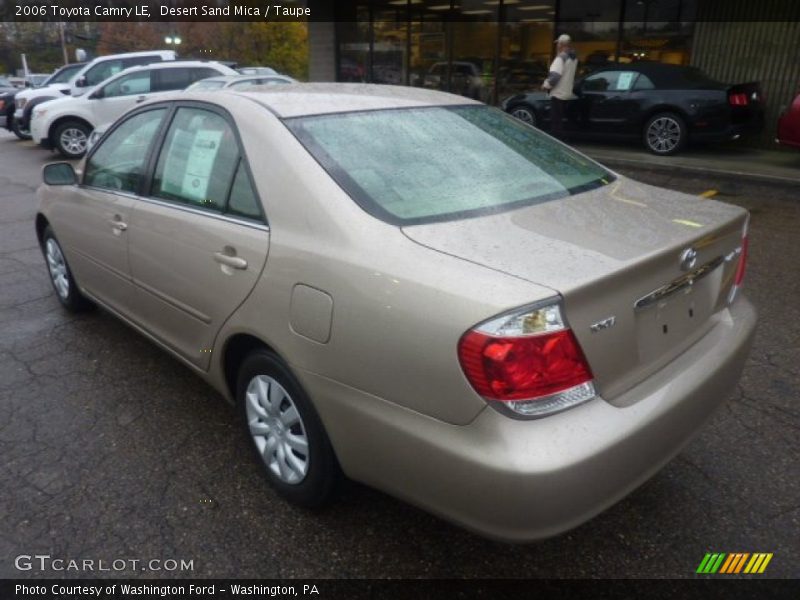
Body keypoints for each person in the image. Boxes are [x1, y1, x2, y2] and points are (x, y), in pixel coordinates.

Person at [542, 34, 578, 141]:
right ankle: (561, 140)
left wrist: (545, 85)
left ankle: (556, 143)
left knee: (555, 122)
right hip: (567, 93)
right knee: (561, 120)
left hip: (558, 94)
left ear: (561, 44)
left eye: (558, 43)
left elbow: (555, 76)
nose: (557, 45)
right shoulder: (574, 58)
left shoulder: (560, 58)